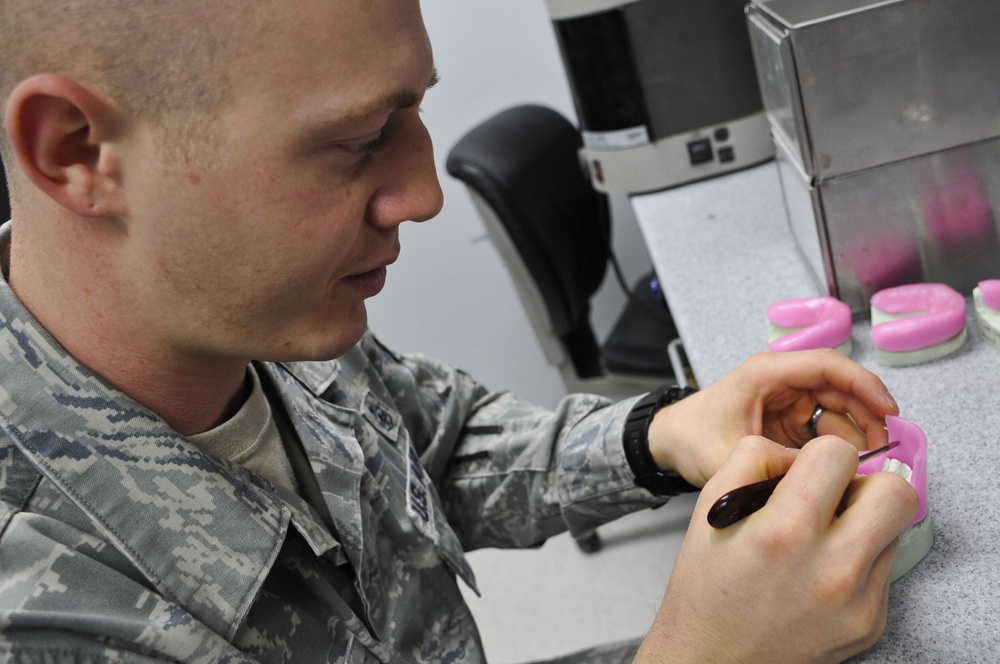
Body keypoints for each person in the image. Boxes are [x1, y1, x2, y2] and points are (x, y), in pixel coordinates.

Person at [0, 0, 918, 662]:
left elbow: (435, 448)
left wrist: (656, 436)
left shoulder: (259, 318)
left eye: (414, 109)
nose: (427, 195)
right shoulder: (40, 608)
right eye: (358, 141)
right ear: (76, 150)